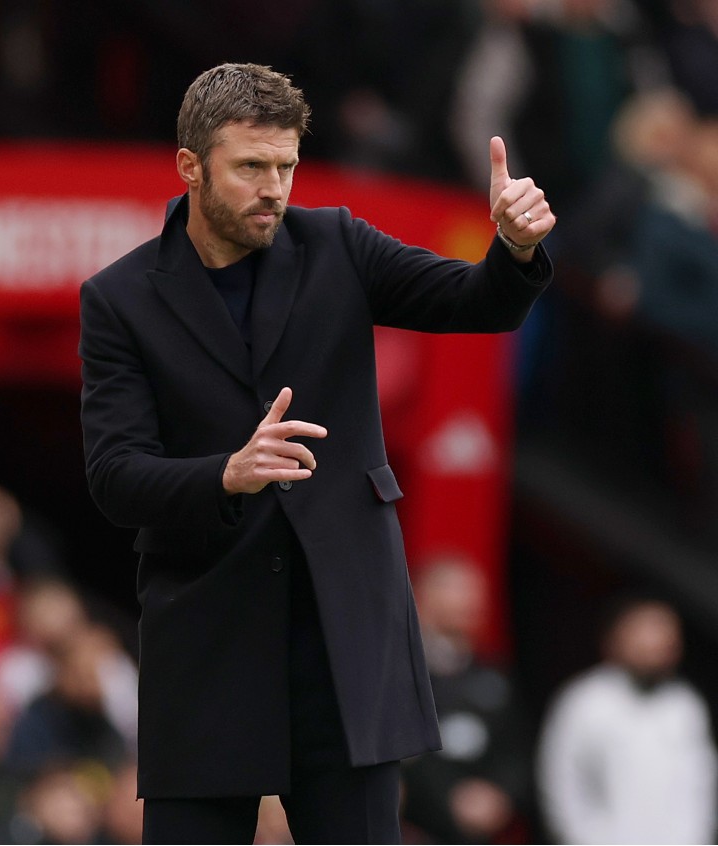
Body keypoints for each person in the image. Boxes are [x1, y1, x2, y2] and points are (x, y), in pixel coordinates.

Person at [78, 62, 554, 844]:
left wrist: (515, 248)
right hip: (207, 646)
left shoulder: (338, 243)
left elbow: (475, 301)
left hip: (347, 644)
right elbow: (115, 476)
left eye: (286, 166)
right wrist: (227, 474)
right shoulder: (120, 298)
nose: (274, 188)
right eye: (251, 167)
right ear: (190, 166)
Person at [536, 596, 717, 844]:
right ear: (617, 637)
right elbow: (561, 783)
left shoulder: (684, 704)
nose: (655, 642)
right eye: (646, 630)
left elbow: (701, 785)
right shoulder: (585, 701)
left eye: (665, 632)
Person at [403, 557, 532, 843]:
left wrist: (499, 795)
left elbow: (515, 750)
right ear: (424, 595)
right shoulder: (400, 672)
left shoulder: (494, 676)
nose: (474, 602)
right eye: (459, 590)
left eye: (478, 593)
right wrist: (449, 797)